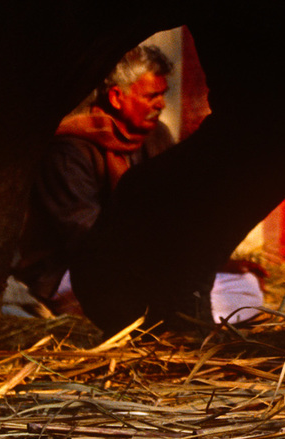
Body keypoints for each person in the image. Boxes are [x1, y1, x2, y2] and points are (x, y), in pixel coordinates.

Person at [16, 43, 176, 311]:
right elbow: (84, 233)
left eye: (163, 95)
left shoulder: (157, 135)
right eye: (151, 96)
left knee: (244, 284)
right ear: (116, 97)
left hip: (142, 258)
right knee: (150, 296)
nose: (160, 104)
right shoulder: (69, 150)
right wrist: (154, 258)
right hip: (71, 267)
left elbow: (176, 202)